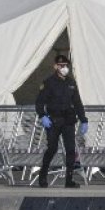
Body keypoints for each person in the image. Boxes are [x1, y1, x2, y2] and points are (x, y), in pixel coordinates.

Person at [36, 54, 89, 189]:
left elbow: (77, 102)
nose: (64, 68)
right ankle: (43, 175)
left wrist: (83, 120)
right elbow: (39, 102)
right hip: (53, 120)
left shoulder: (71, 83)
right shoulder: (49, 82)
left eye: (66, 66)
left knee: (70, 150)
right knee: (52, 148)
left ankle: (69, 180)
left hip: (68, 120)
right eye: (61, 66)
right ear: (56, 66)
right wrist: (42, 115)